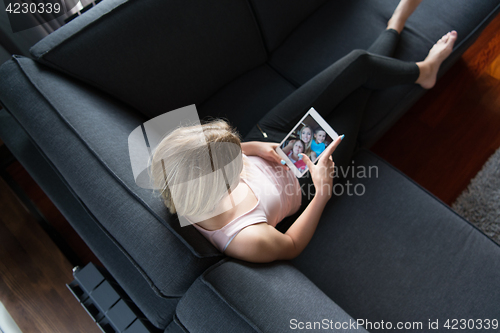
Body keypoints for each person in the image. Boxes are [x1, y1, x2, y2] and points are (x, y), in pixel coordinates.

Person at [150, 0, 457, 263]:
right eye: (234, 166)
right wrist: (322, 192)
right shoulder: (245, 238)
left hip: (271, 137)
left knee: (358, 64)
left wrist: (253, 148)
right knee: (360, 93)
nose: (237, 158)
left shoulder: (178, 170)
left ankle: (420, 66)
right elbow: (291, 246)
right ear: (217, 187)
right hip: (305, 179)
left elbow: (224, 153)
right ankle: (398, 29)